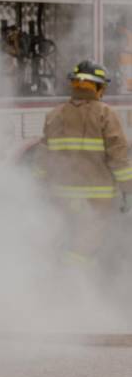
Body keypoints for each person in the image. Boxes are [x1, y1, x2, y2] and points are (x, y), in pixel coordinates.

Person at [37, 60, 132, 266]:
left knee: (64, 237)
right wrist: (128, 190)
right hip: (96, 199)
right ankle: (78, 285)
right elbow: (118, 157)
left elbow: (42, 159)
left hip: (61, 195)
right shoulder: (105, 114)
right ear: (98, 87)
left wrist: (41, 188)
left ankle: (55, 274)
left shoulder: (55, 115)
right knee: (88, 245)